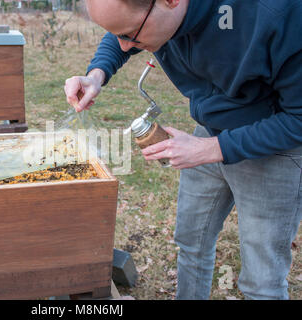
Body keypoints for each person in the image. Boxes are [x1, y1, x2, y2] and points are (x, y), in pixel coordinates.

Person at [64, 0, 302, 300]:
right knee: (191, 245)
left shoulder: (278, 13)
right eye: (121, 35)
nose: (126, 47)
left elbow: (299, 118)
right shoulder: (151, 17)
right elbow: (122, 32)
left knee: (261, 281)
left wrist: (213, 149)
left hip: (272, 148)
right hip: (208, 134)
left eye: (131, 36)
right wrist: (96, 74)